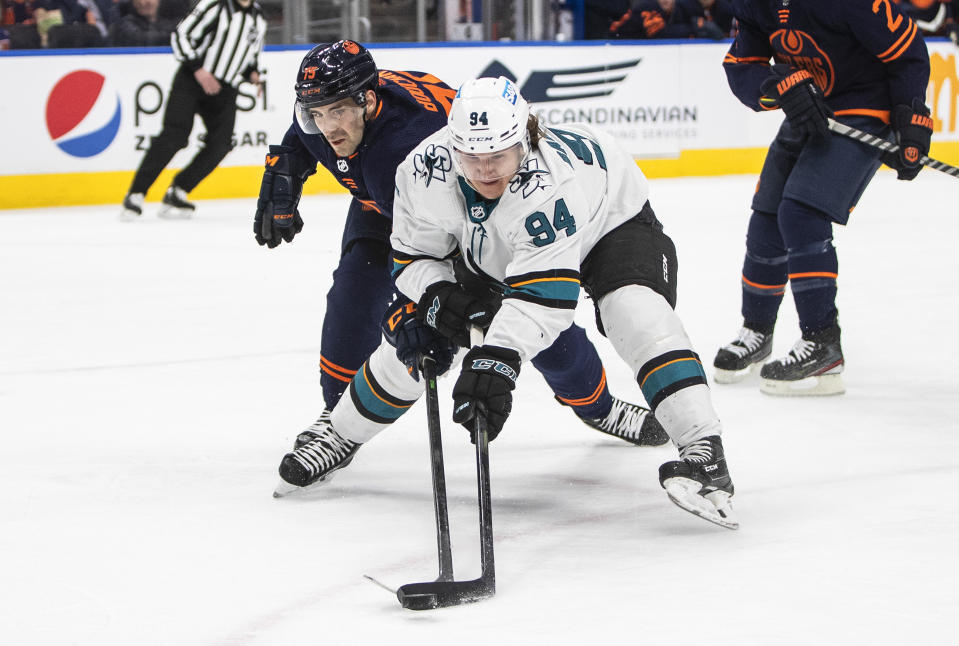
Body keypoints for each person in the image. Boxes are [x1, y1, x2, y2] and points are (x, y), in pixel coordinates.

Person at [274, 77, 738, 531]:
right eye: (471, 156)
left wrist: (496, 362)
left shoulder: (549, 182)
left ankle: (703, 452)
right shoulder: (422, 169)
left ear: (525, 139)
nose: (484, 170)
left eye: (497, 155)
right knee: (424, 338)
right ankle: (340, 433)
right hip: (496, 241)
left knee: (633, 311)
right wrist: (436, 297)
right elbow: (413, 255)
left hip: (608, 221)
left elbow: (544, 300)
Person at [254, 41, 667, 456]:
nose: (327, 127)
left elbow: (430, 255)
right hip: (386, 209)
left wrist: (415, 304)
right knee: (352, 296)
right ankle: (337, 421)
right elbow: (306, 125)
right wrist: (287, 162)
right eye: (316, 114)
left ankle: (598, 405)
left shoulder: (404, 151)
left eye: (338, 111)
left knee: (520, 322)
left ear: (369, 102)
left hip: (473, 216)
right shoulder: (338, 110)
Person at [713, 0, 932, 395]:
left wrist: (912, 117)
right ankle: (756, 329)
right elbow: (742, 64)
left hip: (867, 107)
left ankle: (823, 342)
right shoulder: (755, 5)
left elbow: (908, 51)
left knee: (800, 212)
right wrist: (778, 84)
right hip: (811, 108)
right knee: (766, 214)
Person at [119, 0, 266, 220]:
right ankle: (136, 193)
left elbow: (248, 56)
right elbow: (181, 35)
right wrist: (198, 69)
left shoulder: (258, 18)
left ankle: (178, 191)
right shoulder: (214, 5)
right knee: (174, 136)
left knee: (221, 145)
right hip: (191, 80)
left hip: (224, 89)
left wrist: (253, 74)